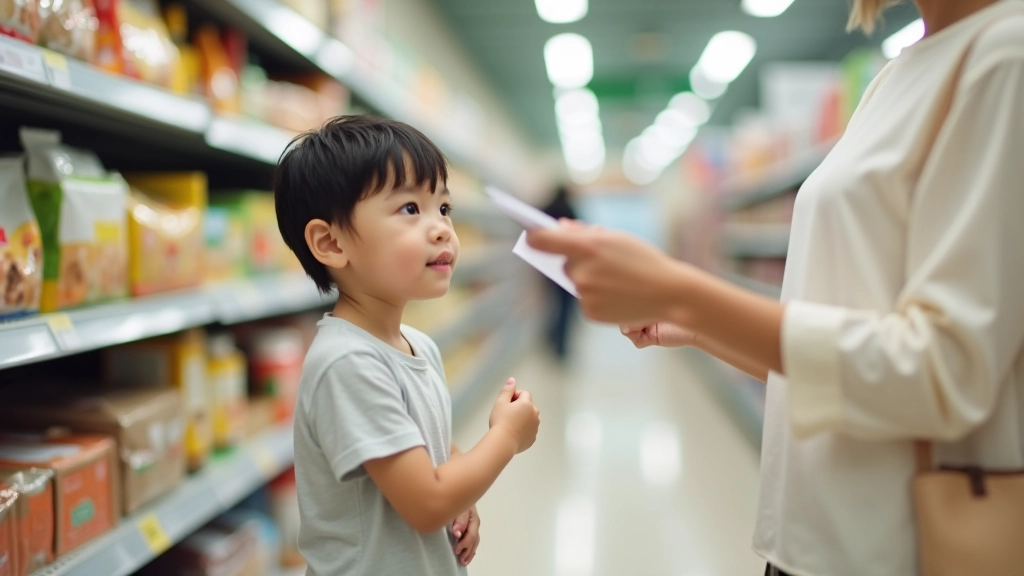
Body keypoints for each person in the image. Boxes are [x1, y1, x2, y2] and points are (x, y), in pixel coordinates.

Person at [526, 0, 1024, 574]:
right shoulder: (896, 73)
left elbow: (945, 370)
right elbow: (837, 356)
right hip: (807, 539)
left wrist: (682, 290)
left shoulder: (1002, 54)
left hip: (896, 547)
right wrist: (702, 327)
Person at [274, 116, 541, 576]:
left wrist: (466, 498)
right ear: (331, 242)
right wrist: (506, 438)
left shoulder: (417, 345)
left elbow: (435, 452)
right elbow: (427, 502)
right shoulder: (348, 363)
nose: (441, 229)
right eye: (410, 210)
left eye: (444, 208)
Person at [541, 184, 578, 361]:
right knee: (565, 309)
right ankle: (561, 346)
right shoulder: (569, 210)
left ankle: (551, 340)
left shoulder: (547, 208)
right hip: (566, 268)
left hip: (546, 266)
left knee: (551, 305)